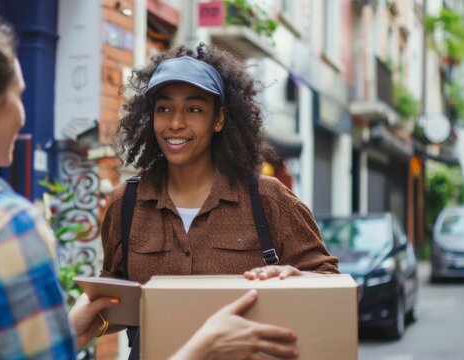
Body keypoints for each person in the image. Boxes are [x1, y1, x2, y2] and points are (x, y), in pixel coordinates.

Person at [0, 14, 297, 360]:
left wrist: (73, 328)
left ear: (220, 118)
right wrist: (204, 346)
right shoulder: (7, 226)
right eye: (19, 96)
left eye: (194, 109)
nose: (23, 115)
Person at [100, 44, 339, 355]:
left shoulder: (269, 199)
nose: (175, 123)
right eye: (165, 109)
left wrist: (299, 278)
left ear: (219, 119)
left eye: (194, 109)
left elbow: (333, 286)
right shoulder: (126, 203)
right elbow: (110, 303)